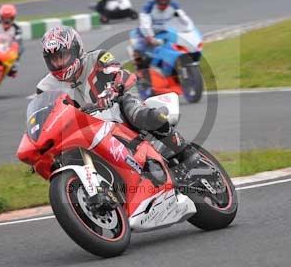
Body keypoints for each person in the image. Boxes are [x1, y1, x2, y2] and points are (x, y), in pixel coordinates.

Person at [36, 25, 198, 168]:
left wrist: (113, 89)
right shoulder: (45, 87)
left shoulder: (97, 58)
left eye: (62, 56)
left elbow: (123, 74)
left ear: (76, 49)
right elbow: (43, 118)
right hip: (83, 130)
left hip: (115, 106)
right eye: (53, 59)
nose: (58, 63)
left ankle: (185, 151)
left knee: (142, 115)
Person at [130, 0, 194, 96]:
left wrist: (190, 30)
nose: (164, 3)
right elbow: (145, 23)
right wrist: (149, 37)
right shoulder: (148, 7)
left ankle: (173, 77)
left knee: (175, 50)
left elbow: (184, 19)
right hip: (145, 34)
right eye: (161, 0)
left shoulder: (174, 5)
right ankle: (143, 79)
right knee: (140, 51)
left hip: (164, 33)